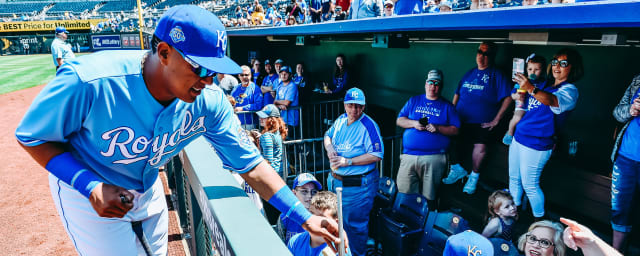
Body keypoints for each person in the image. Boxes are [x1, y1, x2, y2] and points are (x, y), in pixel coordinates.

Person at [15, 6, 341, 255]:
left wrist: (303, 217)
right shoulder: (88, 80)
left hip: (146, 182)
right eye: (199, 67)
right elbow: (32, 136)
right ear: (164, 53)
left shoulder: (208, 101)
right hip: (86, 187)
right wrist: (89, 186)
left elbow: (252, 165)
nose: (209, 80)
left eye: (215, 70)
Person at [509, 48, 582, 220]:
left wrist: (531, 88)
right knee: (514, 178)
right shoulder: (546, 83)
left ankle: (539, 221)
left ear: (573, 67)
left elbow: (552, 100)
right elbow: (523, 95)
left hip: (538, 143)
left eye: (563, 63)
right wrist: (521, 90)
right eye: (555, 62)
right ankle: (512, 216)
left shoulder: (570, 90)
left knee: (530, 185)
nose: (557, 66)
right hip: (520, 137)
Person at [442, 42, 513, 195]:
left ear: (492, 56)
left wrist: (496, 120)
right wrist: (451, 112)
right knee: (443, 134)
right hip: (461, 119)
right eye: (480, 52)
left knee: (480, 147)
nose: (482, 56)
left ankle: (473, 177)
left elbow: (508, 98)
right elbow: (457, 93)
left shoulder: (497, 74)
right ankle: (456, 169)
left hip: (482, 122)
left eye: (486, 54)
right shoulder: (470, 73)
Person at [324, 87, 383, 256]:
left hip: (357, 185)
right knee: (337, 222)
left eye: (358, 106)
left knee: (354, 227)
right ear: (344, 105)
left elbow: (377, 154)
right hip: (335, 181)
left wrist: (348, 161)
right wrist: (329, 149)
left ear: (363, 107)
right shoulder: (341, 120)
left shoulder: (369, 125)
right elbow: (327, 135)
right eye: (351, 105)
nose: (354, 110)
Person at [395, 70, 460, 209]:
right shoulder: (414, 101)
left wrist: (438, 128)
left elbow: (456, 130)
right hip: (409, 156)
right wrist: (414, 123)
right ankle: (405, 223)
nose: (433, 86)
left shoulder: (447, 106)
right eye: (430, 82)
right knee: (404, 193)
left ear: (441, 87)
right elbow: (400, 120)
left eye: (437, 84)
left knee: (429, 197)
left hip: (434, 157)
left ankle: (425, 226)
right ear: (425, 84)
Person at [610, 72, 640, 253]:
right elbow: (617, 113)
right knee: (620, 211)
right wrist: (631, 109)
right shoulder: (637, 80)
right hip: (626, 158)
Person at [288, 191, 352, 256]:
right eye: (312, 214)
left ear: (336, 222)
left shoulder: (341, 249)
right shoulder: (295, 241)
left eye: (321, 218)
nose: (315, 221)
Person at [502, 53, 547, 146]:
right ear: (526, 69)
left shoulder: (543, 83)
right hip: (522, 105)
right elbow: (512, 95)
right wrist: (516, 96)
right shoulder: (522, 80)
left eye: (537, 69)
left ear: (542, 71)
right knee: (518, 117)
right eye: (530, 69)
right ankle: (509, 132)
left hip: (535, 107)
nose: (533, 72)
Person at [278, 173, 322, 243]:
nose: (309, 195)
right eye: (304, 191)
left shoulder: (321, 216)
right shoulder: (285, 217)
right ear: (294, 193)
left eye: (314, 192)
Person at [256, 104, 287, 175]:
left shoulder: (266, 136)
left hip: (272, 173)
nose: (260, 119)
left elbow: (268, 161)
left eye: (263, 117)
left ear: (271, 120)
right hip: (282, 170)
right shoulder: (278, 132)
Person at [274, 66, 300, 138]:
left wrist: (277, 102)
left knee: (291, 142)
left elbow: (287, 102)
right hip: (282, 119)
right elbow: (274, 103)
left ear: (290, 75)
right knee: (283, 141)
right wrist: (279, 105)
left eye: (286, 73)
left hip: (291, 120)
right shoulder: (279, 87)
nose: (283, 75)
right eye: (282, 73)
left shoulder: (292, 86)